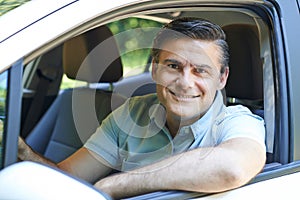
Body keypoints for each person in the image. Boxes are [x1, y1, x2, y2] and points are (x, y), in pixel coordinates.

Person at [18, 17, 266, 199]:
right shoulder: (131, 113)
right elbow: (67, 179)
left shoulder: (238, 121)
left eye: (200, 70)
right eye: (173, 66)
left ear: (221, 79)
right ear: (154, 69)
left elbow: (232, 168)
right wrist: (21, 152)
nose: (185, 82)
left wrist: (113, 186)